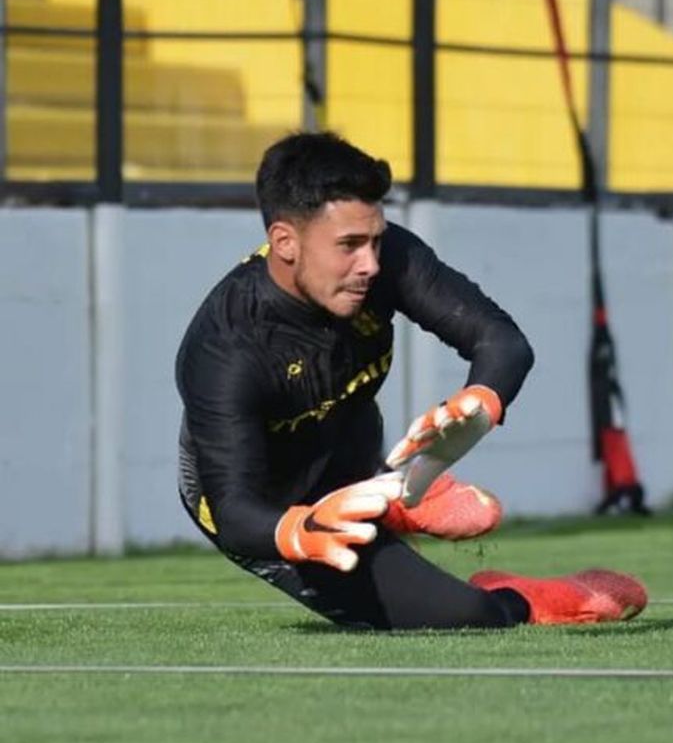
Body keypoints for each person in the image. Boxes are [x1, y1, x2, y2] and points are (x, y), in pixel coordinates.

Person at [175, 131, 647, 630]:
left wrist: (482, 402)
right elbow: (234, 509)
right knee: (468, 617)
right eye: (350, 246)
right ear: (285, 242)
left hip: (347, 448)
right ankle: (506, 589)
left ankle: (391, 493)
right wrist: (301, 530)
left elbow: (501, 342)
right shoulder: (223, 346)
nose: (371, 263)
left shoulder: (385, 260)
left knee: (349, 410)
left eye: (376, 239)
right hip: (264, 508)